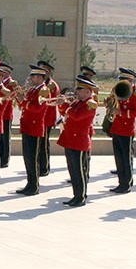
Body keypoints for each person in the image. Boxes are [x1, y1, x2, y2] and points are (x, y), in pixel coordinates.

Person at [57, 76, 99, 206]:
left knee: (79, 170)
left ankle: (80, 197)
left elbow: (77, 116)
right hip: (70, 139)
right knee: (72, 170)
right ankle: (76, 195)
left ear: (87, 91)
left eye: (80, 90)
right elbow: (64, 113)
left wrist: (66, 106)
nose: (77, 92)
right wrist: (61, 104)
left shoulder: (90, 104)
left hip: (79, 140)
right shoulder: (78, 102)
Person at [105, 68, 136, 193]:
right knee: (118, 158)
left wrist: (121, 112)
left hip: (127, 129)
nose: (121, 82)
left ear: (131, 80)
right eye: (120, 79)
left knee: (126, 158)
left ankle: (127, 183)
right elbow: (114, 103)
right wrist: (109, 104)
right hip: (117, 127)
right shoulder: (117, 90)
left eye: (124, 80)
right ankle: (121, 182)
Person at [15, 65, 51, 195]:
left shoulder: (44, 91)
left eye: (34, 76)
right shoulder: (32, 90)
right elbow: (24, 106)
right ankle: (29, 183)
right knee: (27, 158)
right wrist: (19, 98)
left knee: (33, 158)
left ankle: (34, 186)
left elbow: (37, 108)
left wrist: (23, 102)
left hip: (35, 127)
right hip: (27, 126)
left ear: (41, 78)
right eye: (32, 76)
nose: (32, 79)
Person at [36, 60, 59, 177]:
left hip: (47, 118)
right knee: (40, 143)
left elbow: (49, 102)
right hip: (42, 117)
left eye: (43, 71)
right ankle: (40, 165)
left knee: (44, 144)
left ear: (48, 72)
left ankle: (44, 167)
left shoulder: (50, 85)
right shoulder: (44, 84)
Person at [0, 63, 17, 168]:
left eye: (3, 72)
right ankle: (0, 157)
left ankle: (5, 159)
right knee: (0, 137)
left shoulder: (11, 83)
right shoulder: (0, 82)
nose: (1, 74)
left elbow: (12, 96)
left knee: (5, 137)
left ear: (7, 73)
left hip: (6, 112)